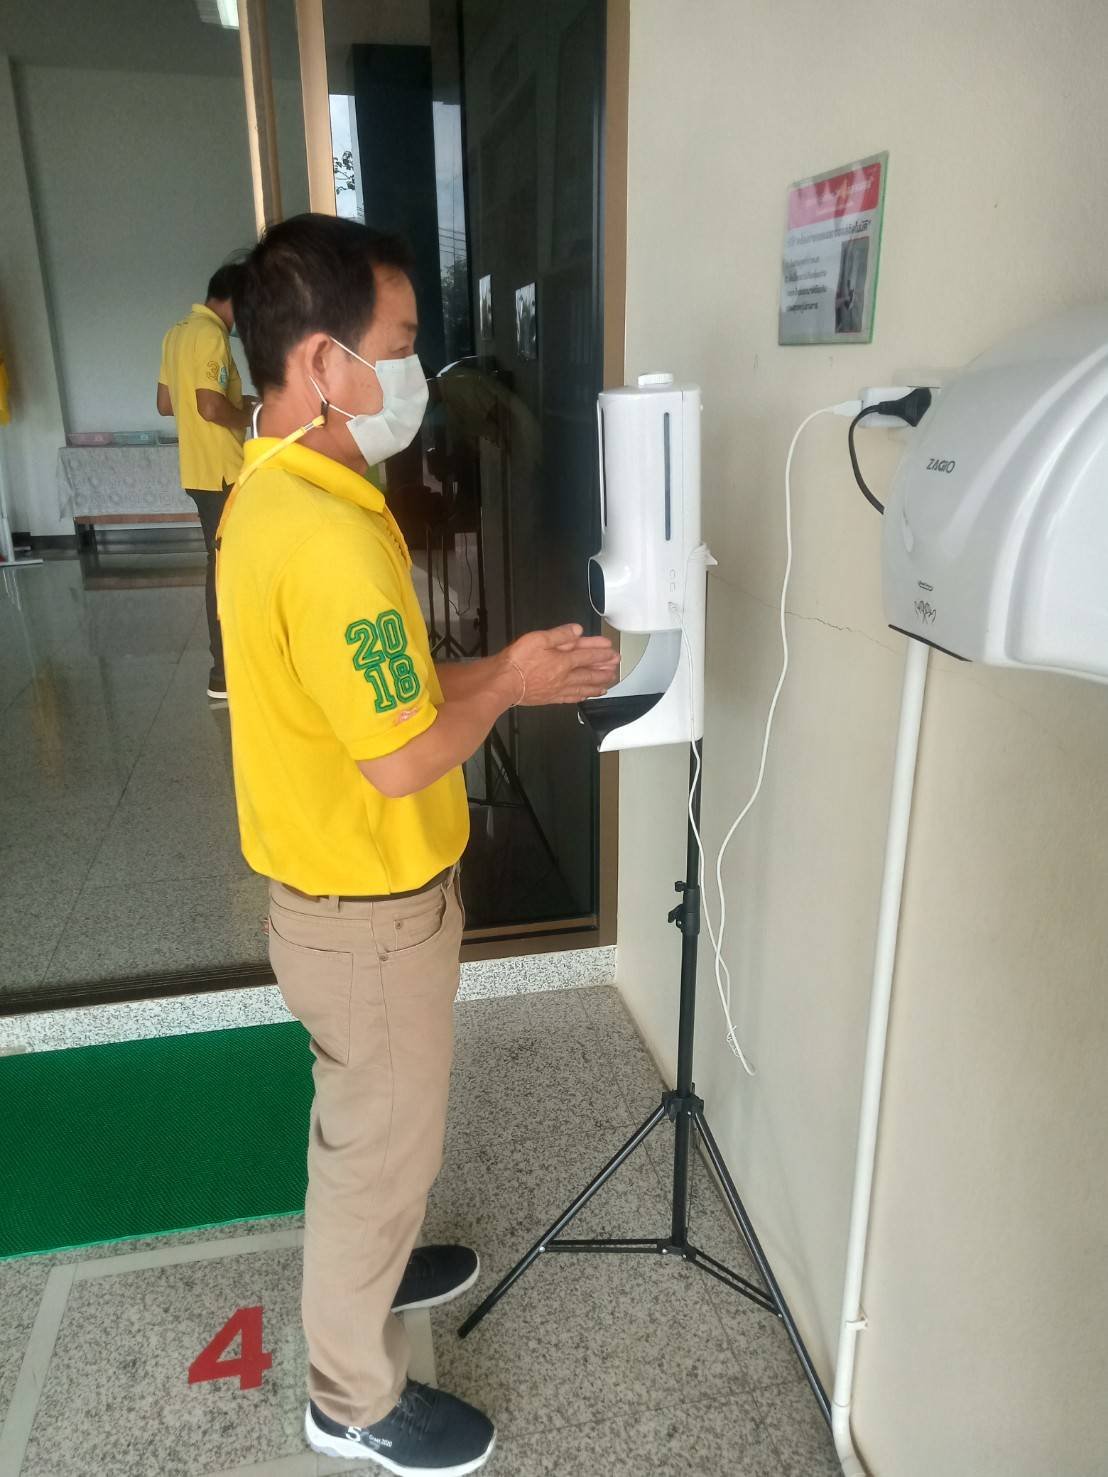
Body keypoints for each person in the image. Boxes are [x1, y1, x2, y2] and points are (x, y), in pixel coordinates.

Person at [218, 213, 619, 1475]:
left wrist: (497, 670)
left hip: (340, 906)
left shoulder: (284, 489)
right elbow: (397, 759)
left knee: (373, 1131)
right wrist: (512, 689)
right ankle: (350, 1400)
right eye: (396, 345)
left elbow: (376, 701)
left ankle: (376, 1260)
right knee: (377, 1151)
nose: (413, 372)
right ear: (321, 362)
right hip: (365, 919)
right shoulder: (327, 537)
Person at [157, 262, 255, 700]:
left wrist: (236, 399)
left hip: (196, 470)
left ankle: (227, 665)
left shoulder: (177, 333)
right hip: (222, 470)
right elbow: (210, 408)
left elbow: (166, 403)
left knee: (218, 562)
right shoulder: (212, 334)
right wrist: (248, 415)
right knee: (225, 568)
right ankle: (224, 673)